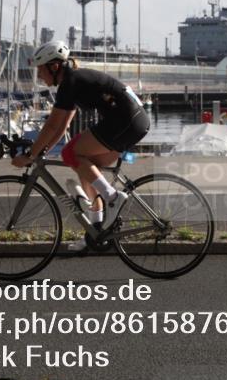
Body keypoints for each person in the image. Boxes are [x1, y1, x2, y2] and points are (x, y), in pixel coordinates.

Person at [11, 40, 150, 248]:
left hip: (126, 119)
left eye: (41, 70)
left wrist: (31, 154)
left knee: (70, 153)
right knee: (85, 167)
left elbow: (50, 126)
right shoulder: (75, 82)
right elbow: (61, 128)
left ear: (54, 66)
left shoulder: (71, 82)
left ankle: (113, 197)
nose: (39, 75)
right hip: (132, 121)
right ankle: (95, 233)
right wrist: (43, 151)